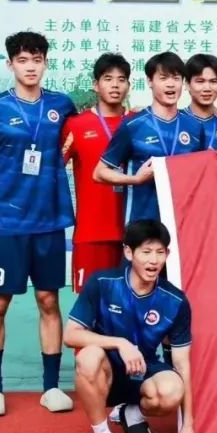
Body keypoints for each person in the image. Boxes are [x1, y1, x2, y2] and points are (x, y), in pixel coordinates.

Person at [0, 31, 76, 417]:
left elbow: (77, 145)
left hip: (49, 222)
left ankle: (51, 387)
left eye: (37, 60)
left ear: (46, 63)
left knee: (49, 301)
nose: (31, 67)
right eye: (23, 60)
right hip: (7, 223)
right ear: (10, 64)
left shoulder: (62, 105)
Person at [64, 219, 197, 433]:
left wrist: (187, 425)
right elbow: (71, 335)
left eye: (160, 252)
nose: (153, 261)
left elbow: (182, 364)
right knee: (87, 357)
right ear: (128, 252)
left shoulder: (175, 301)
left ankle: (132, 413)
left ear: (167, 254)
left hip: (143, 371)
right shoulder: (102, 283)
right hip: (106, 372)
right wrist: (119, 343)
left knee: (172, 389)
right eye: (146, 252)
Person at [95, 52, 205, 223]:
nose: (171, 84)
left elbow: (202, 176)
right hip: (141, 223)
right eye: (163, 78)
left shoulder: (195, 127)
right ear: (149, 81)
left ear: (183, 83)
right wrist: (136, 179)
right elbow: (99, 173)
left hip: (183, 223)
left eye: (176, 78)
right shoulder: (133, 125)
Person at [61, 53, 131, 293]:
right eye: (108, 79)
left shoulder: (139, 122)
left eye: (121, 79)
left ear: (129, 85)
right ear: (95, 84)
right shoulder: (76, 125)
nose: (115, 85)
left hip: (133, 233)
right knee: (89, 304)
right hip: (91, 232)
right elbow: (51, 170)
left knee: (129, 304)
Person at [182, 53, 217, 151]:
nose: (207, 88)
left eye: (213, 81)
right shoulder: (176, 121)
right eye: (200, 81)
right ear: (187, 84)